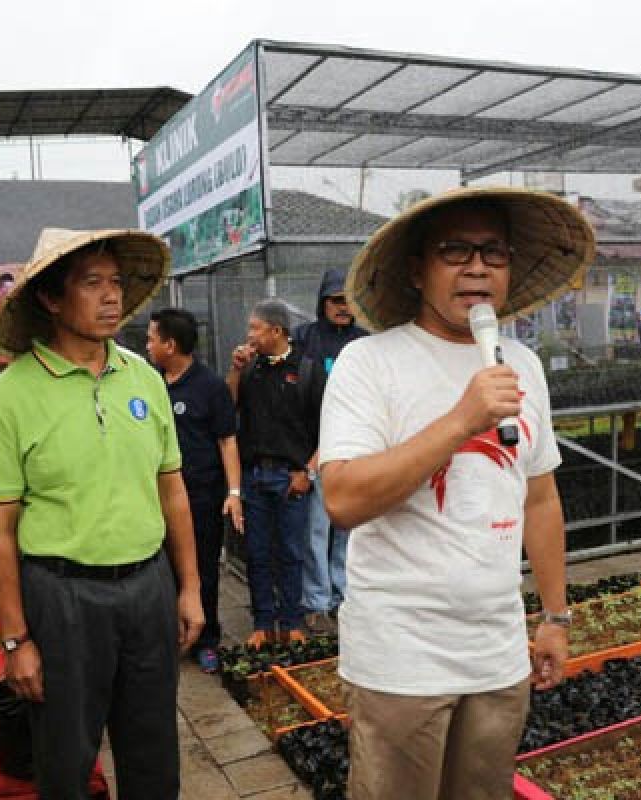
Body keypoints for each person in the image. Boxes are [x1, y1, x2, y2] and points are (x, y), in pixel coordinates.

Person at [319, 187, 595, 800]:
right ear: (417, 270)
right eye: (455, 251)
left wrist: (554, 616)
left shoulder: (523, 364)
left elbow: (538, 498)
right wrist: (461, 419)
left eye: (493, 253)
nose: (477, 267)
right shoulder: (372, 363)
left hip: (495, 652)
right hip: (400, 657)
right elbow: (341, 498)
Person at [0, 228, 203, 800]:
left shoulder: (143, 378)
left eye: (117, 283)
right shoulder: (8, 396)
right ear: (51, 299)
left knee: (153, 752)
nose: (111, 298)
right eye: (91, 284)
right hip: (62, 598)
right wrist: (15, 639)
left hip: (147, 587)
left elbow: (172, 491)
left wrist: (189, 586)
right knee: (66, 758)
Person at [146, 308, 243, 673]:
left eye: (153, 339)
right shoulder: (148, 383)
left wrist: (233, 492)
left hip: (200, 497)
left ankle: (207, 638)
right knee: (159, 570)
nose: (148, 346)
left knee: (202, 569)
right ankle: (166, 637)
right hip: (155, 497)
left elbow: (227, 442)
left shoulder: (210, 387)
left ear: (171, 345)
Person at [226, 299, 324, 648]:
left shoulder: (308, 370)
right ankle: (263, 621)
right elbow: (228, 410)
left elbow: (328, 429)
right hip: (255, 476)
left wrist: (307, 474)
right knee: (257, 552)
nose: (249, 336)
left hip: (291, 477)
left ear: (276, 331)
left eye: (255, 328)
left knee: (292, 551)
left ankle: (292, 619)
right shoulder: (251, 368)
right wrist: (236, 370)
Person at [291, 269, 368, 631]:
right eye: (336, 300)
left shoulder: (363, 342)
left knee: (347, 529)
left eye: (349, 300)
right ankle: (316, 601)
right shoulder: (304, 338)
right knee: (316, 531)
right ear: (323, 302)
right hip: (317, 452)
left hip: (356, 449)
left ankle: (343, 597)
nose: (343, 307)